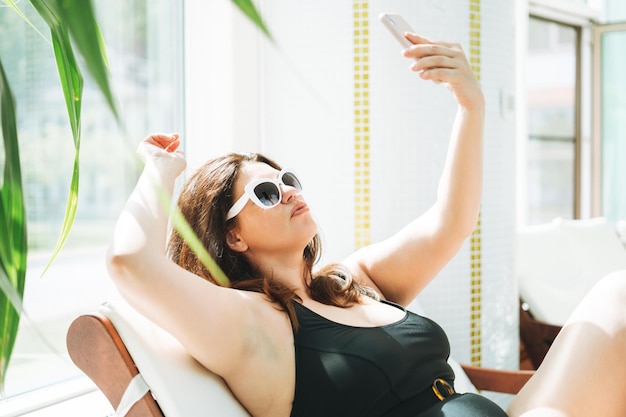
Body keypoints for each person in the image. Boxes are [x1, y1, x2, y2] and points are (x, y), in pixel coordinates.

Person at [106, 33, 626, 417]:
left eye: (287, 178)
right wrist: (159, 172)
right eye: (265, 193)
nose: (289, 190)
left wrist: (471, 106)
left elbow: (452, 220)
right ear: (233, 236)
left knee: (618, 295)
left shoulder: (349, 282)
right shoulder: (256, 325)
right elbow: (131, 264)